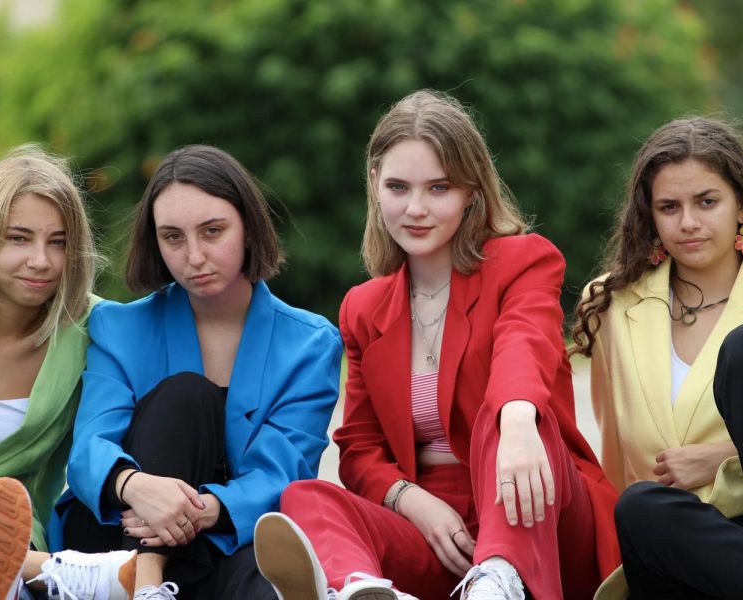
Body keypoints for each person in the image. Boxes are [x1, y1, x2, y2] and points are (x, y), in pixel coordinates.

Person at [253, 90, 621, 600]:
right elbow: (359, 449)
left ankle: (499, 583)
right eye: (399, 187)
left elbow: (524, 347)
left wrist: (516, 421)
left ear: (472, 191)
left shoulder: (523, 262)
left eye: (439, 187)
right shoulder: (363, 307)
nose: (416, 208)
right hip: (434, 530)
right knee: (304, 497)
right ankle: (362, 590)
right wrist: (411, 501)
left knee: (510, 410)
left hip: (540, 504)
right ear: (375, 187)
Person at [50, 144, 343, 600]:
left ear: (247, 227)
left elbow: (284, 474)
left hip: (221, 540)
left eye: (212, 231)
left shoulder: (310, 344)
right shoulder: (119, 327)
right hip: (111, 541)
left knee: (269, 575)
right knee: (186, 395)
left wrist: (199, 510)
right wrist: (138, 487)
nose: (194, 256)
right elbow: (89, 449)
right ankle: (143, 583)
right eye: (173, 237)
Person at [572, 117, 743, 599]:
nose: (688, 222)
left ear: (742, 204)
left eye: (707, 202)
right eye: (669, 206)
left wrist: (728, 456)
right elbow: (611, 464)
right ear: (650, 215)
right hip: (674, 556)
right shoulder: (610, 305)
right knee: (641, 503)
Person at [0, 146, 137, 600]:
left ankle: (6, 577)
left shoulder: (94, 327)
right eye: (19, 238)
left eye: (57, 242)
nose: (41, 260)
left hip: (3, 521)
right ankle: (55, 573)